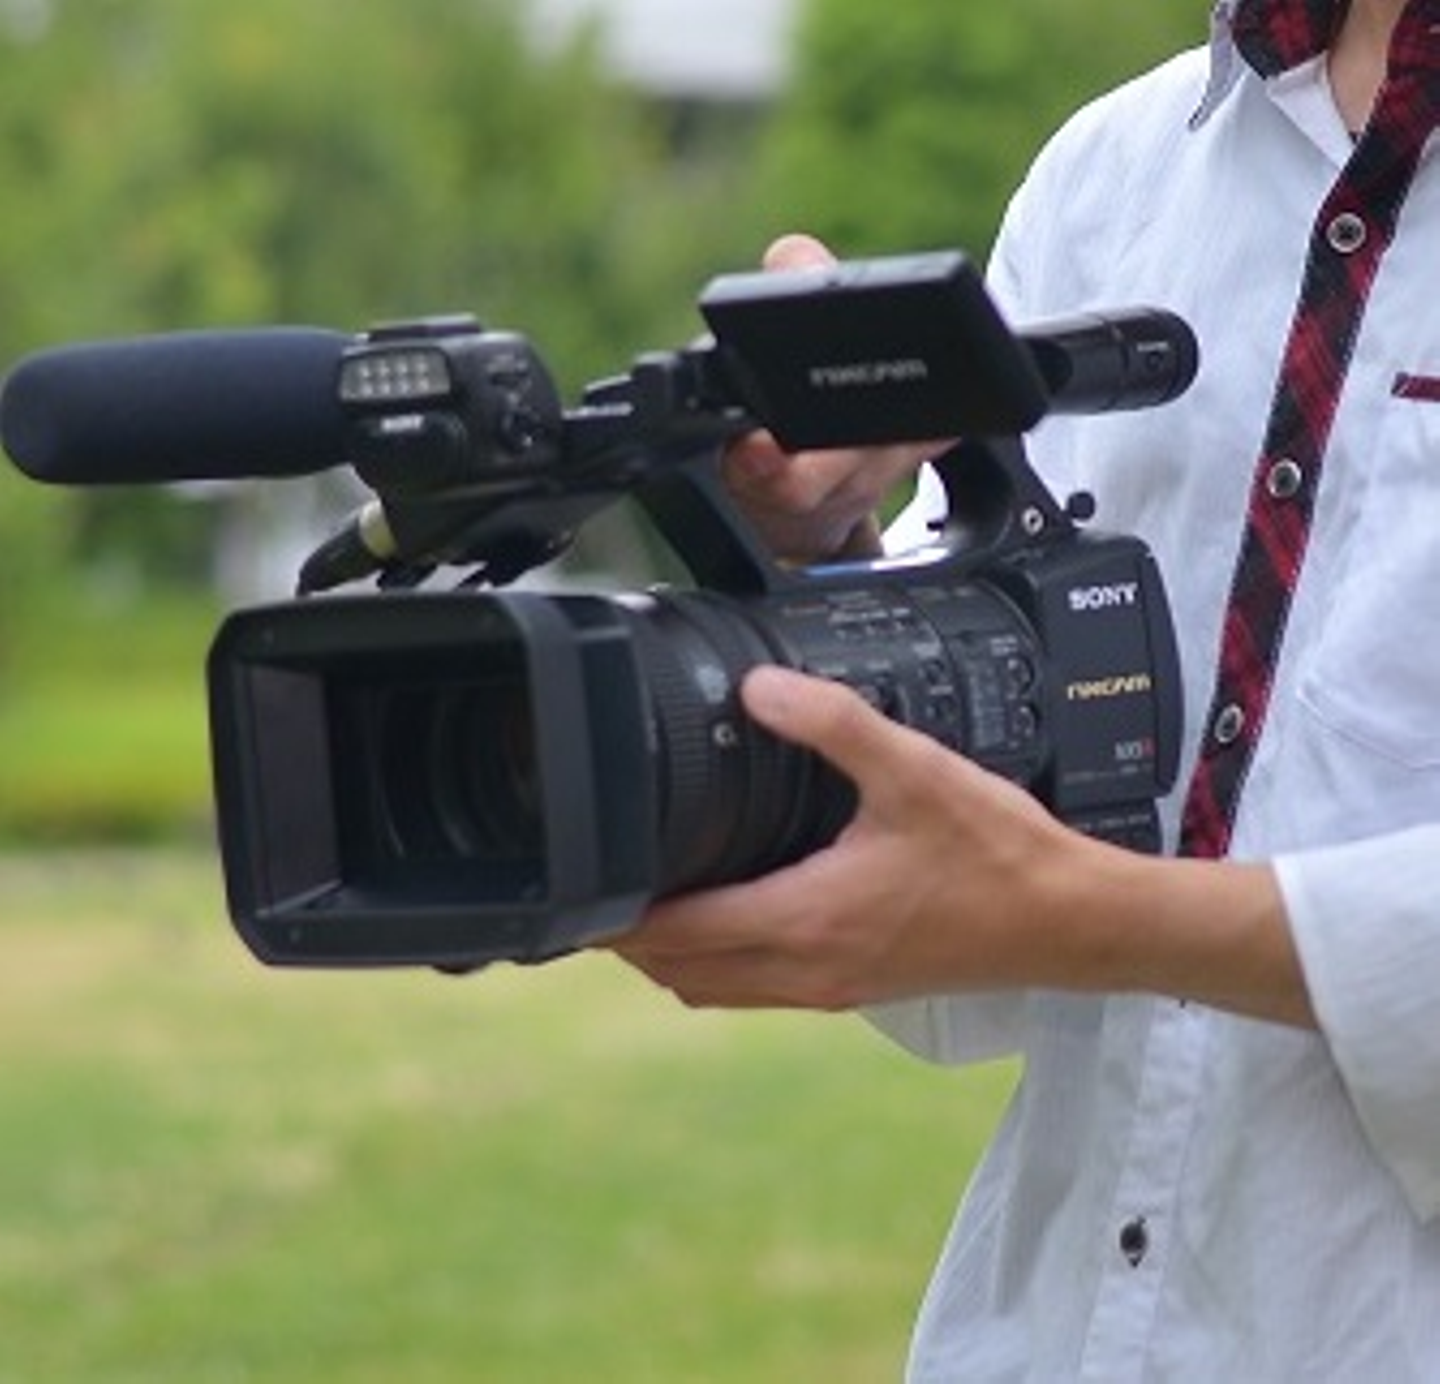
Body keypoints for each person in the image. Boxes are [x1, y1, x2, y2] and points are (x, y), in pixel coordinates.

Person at [608, 0, 1440, 1378]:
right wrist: (825, 564)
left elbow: (1047, 907)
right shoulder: (1115, 175)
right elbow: (970, 977)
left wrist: (1094, 913)